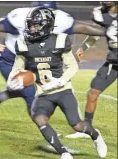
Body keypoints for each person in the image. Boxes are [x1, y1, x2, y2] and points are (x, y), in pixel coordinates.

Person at [6, 7, 107, 159]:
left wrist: (60, 81)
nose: (32, 28)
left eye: (36, 25)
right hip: (43, 93)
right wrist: (11, 81)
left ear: (46, 25)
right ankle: (63, 153)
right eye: (30, 24)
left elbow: (72, 66)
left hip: (63, 90)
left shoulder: (59, 40)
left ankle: (95, 135)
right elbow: (17, 68)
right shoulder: (23, 44)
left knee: (77, 125)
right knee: (39, 118)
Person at [66, 1, 118, 138]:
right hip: (113, 63)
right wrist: (83, 48)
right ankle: (87, 127)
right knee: (92, 92)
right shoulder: (103, 16)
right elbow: (96, 34)